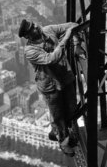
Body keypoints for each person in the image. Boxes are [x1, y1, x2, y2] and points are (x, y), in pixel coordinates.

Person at [19, 18, 84, 156]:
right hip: (50, 85)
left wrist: (77, 43)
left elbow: (73, 26)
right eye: (33, 28)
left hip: (65, 77)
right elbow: (51, 58)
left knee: (72, 107)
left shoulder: (48, 30)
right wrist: (66, 38)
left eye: (34, 24)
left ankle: (60, 131)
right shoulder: (30, 51)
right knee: (57, 115)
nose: (37, 26)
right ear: (28, 36)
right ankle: (63, 141)